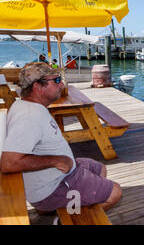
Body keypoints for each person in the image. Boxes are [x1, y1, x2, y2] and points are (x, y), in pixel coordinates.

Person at [0, 62, 122, 214]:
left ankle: (77, 205)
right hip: (52, 187)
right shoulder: (29, 117)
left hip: (61, 173)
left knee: (99, 168)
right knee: (115, 192)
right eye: (56, 80)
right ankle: (73, 218)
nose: (62, 84)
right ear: (38, 86)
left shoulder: (29, 106)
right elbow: (8, 163)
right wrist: (56, 160)